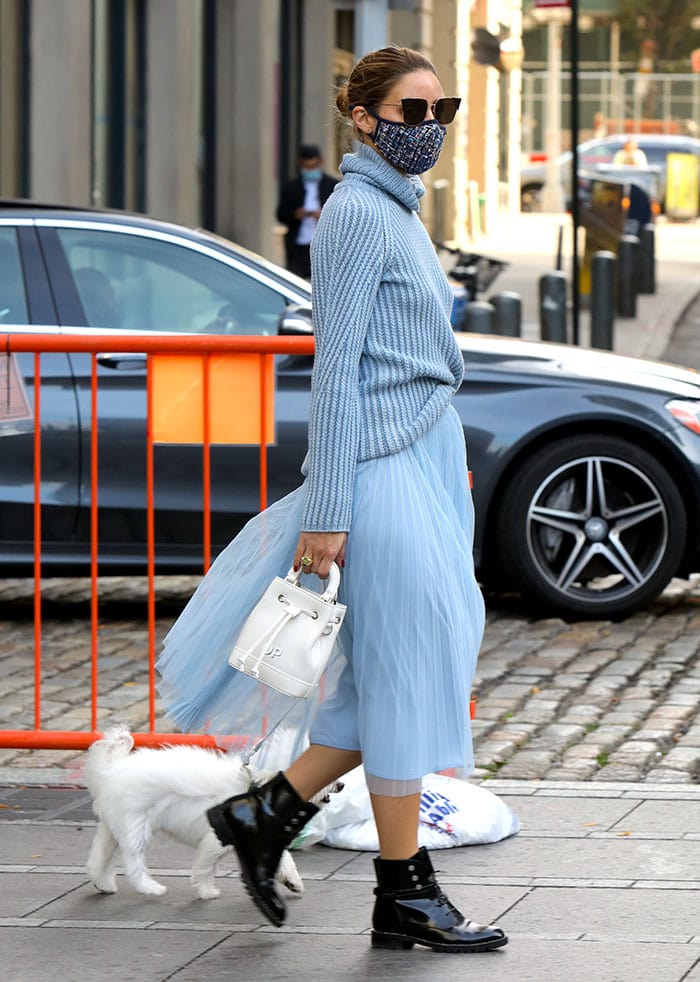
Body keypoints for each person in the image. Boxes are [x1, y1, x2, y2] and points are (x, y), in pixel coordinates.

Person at [157, 45, 507, 955]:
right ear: (361, 118)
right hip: (379, 470)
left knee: (405, 664)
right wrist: (330, 507)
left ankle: (265, 815)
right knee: (406, 670)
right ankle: (404, 892)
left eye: (443, 108)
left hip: (417, 461)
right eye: (409, 109)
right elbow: (337, 371)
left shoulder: (395, 211)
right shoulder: (354, 214)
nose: (428, 126)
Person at [276, 144, 338, 278]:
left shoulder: (332, 185)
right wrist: (295, 214)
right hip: (298, 247)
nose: (310, 170)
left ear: (320, 162)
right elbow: (280, 214)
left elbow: (341, 216)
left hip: (324, 246)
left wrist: (324, 215)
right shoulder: (291, 187)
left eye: (313, 166)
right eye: (306, 167)